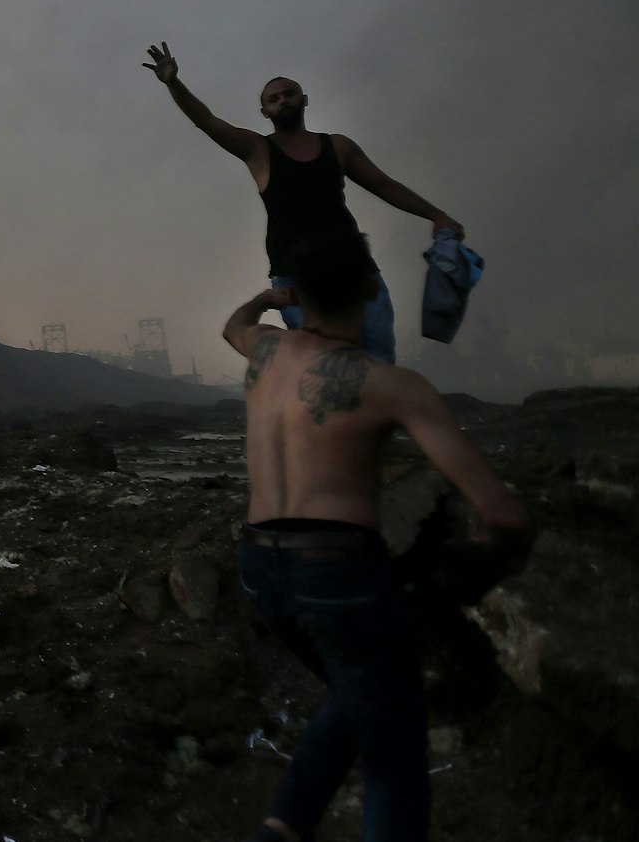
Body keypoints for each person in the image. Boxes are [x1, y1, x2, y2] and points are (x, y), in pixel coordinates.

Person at [221, 231, 533, 842]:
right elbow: (500, 512)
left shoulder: (263, 349)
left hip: (259, 565)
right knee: (393, 757)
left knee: (358, 693)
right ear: (372, 288)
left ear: (298, 294)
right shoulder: (392, 385)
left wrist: (268, 295)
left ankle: (283, 828)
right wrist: (511, 548)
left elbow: (233, 321)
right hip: (337, 571)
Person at [145, 42, 464, 363]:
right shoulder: (259, 150)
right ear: (264, 112)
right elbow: (208, 121)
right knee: (321, 366)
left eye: (289, 93)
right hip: (295, 279)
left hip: (356, 273)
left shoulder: (337, 147)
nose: (283, 100)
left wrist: (436, 215)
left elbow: (384, 185)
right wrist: (173, 82)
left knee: (377, 361)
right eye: (274, 98)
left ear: (304, 100)